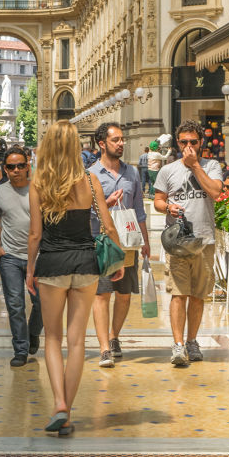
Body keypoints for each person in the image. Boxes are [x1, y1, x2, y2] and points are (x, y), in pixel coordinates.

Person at [26, 120, 124, 436]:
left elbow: (35, 235)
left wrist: (30, 269)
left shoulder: (38, 184)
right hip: (85, 265)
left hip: (52, 265)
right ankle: (66, 412)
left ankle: (58, 404)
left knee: (52, 339)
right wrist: (118, 259)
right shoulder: (90, 180)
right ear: (75, 148)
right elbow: (108, 227)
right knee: (78, 340)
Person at [153, 120, 225, 366]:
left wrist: (195, 167)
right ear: (178, 143)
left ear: (201, 143)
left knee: (198, 295)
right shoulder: (168, 170)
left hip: (204, 240)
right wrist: (168, 206)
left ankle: (193, 341)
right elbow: (158, 200)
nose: (189, 146)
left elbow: (215, 192)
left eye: (193, 142)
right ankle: (178, 345)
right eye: (184, 142)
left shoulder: (212, 166)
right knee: (178, 293)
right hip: (177, 242)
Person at [88, 123, 150, 367]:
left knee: (124, 295)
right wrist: (104, 203)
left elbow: (139, 210)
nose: (121, 143)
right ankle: (104, 348)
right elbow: (85, 210)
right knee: (102, 294)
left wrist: (144, 241)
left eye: (122, 139)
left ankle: (114, 336)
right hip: (101, 241)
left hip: (127, 241)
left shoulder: (132, 173)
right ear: (102, 143)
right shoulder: (90, 173)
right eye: (115, 140)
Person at [0, 146, 42, 367]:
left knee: (41, 303)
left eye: (21, 165)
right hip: (10, 256)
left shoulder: (39, 189)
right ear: (5, 169)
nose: (17, 170)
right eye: (11, 167)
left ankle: (33, 333)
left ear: (28, 166)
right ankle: (20, 348)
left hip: (38, 257)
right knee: (15, 304)